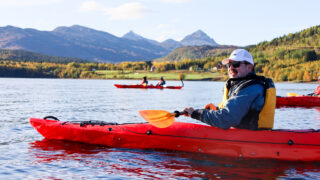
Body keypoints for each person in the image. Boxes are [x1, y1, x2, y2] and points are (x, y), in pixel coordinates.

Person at [183, 49, 276, 130]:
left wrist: (196, 114)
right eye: (228, 65)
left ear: (249, 67)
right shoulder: (242, 85)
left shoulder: (251, 88)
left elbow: (226, 119)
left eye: (236, 64)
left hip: (252, 140)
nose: (231, 68)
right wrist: (216, 110)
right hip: (244, 136)